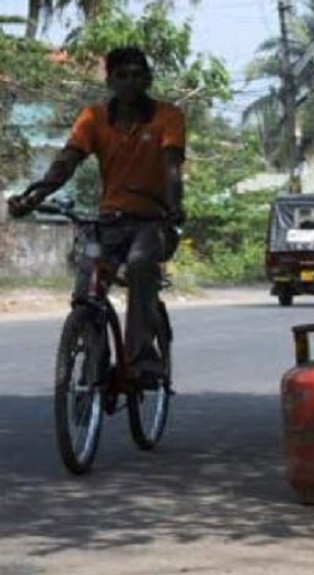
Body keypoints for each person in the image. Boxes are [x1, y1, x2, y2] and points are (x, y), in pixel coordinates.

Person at [7, 46, 185, 387]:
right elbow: (68, 161)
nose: (130, 82)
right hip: (109, 223)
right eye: (122, 75)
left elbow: (172, 165)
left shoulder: (168, 117)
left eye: (137, 74)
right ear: (110, 81)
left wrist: (175, 204)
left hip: (153, 223)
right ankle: (92, 347)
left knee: (139, 265)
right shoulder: (93, 118)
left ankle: (142, 361)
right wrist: (37, 193)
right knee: (88, 280)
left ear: (148, 79)